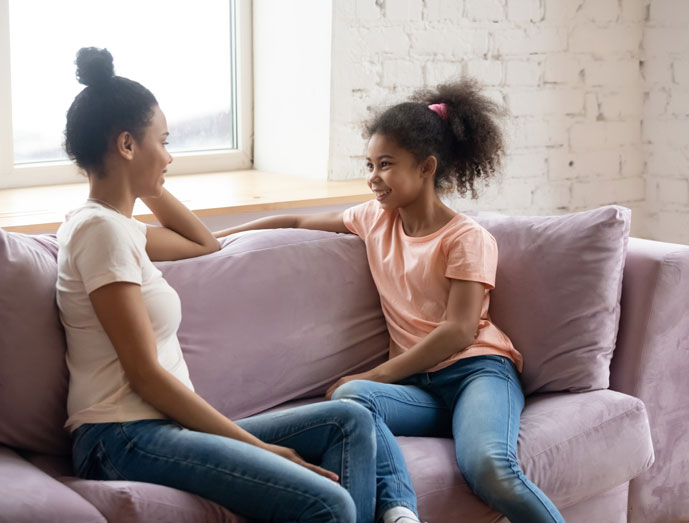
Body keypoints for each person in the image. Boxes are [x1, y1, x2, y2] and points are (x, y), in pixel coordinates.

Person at [215, 79, 566, 523]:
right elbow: (297, 219)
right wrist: (217, 240)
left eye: (385, 164)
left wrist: (379, 372)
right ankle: (401, 510)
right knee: (353, 397)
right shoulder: (373, 219)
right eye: (369, 164)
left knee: (489, 468)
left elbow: (458, 330)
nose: (372, 178)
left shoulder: (467, 239)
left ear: (426, 168)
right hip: (420, 388)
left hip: (477, 372)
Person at [57, 47, 377, 523]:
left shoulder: (119, 228)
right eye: (162, 142)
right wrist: (258, 447)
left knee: (348, 421)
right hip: (122, 435)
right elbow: (144, 375)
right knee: (329, 505)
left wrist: (148, 180)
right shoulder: (99, 233)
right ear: (126, 145)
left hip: (155, 427)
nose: (169, 157)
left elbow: (203, 244)